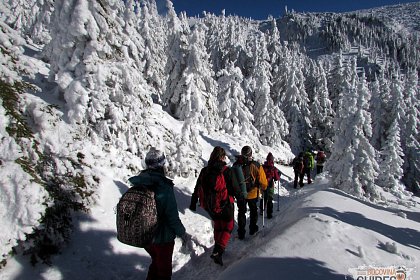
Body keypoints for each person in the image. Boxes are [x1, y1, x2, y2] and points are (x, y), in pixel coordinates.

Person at [129, 147, 189, 280]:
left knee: (156, 264)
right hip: (162, 238)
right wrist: (182, 233)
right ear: (162, 165)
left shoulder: (139, 181)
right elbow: (172, 216)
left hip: (145, 236)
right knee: (164, 272)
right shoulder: (163, 186)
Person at [189, 146, 243, 266]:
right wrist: (241, 200)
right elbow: (235, 188)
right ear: (222, 157)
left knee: (218, 225)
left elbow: (198, 187)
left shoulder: (205, 170)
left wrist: (193, 201)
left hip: (210, 205)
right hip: (226, 204)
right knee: (228, 226)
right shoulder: (226, 170)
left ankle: (216, 249)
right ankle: (219, 250)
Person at [233, 146, 268, 239]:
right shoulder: (256, 165)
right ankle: (252, 229)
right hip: (253, 193)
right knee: (253, 211)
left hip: (241, 194)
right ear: (251, 154)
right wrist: (264, 188)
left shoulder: (236, 165)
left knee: (241, 212)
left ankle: (241, 233)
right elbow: (263, 181)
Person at [260, 152, 281, 219]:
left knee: (263, 198)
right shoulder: (273, 168)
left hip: (263, 185)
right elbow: (276, 178)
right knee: (269, 199)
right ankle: (269, 214)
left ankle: (261, 210)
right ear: (272, 159)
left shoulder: (262, 167)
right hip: (270, 185)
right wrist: (278, 175)